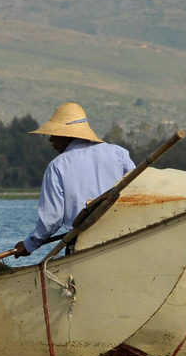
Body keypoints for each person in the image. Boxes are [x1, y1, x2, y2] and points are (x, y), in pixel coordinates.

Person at [14, 103, 135, 257]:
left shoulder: (57, 167)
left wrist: (29, 244)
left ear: (66, 136)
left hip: (82, 244)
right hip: (123, 238)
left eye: (54, 134)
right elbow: (138, 191)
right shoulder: (118, 154)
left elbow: (52, 219)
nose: (51, 140)